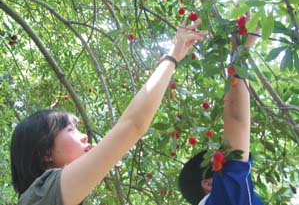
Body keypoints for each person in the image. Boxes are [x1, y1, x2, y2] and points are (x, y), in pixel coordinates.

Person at [10, 19, 208, 205]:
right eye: (70, 130)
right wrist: (172, 56)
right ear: (45, 153)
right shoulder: (42, 195)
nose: (85, 136)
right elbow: (132, 126)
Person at [178, 30, 265, 205]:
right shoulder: (225, 198)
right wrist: (239, 51)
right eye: (220, 160)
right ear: (209, 183)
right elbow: (235, 118)